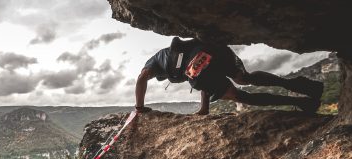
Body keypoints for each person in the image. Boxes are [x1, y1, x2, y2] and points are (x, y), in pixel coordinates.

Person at [134, 37, 323, 115]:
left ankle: (303, 103)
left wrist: (139, 107)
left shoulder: (154, 62)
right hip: (214, 50)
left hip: (200, 65)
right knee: (244, 78)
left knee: (240, 96)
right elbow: (200, 72)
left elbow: (141, 79)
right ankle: (303, 86)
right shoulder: (177, 59)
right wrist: (204, 108)